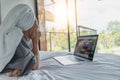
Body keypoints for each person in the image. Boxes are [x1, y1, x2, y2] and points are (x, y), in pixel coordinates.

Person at [0, 4, 40, 77]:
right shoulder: (17, 36)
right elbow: (35, 65)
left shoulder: (7, 33)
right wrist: (35, 41)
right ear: (28, 25)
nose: (37, 27)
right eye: (35, 23)